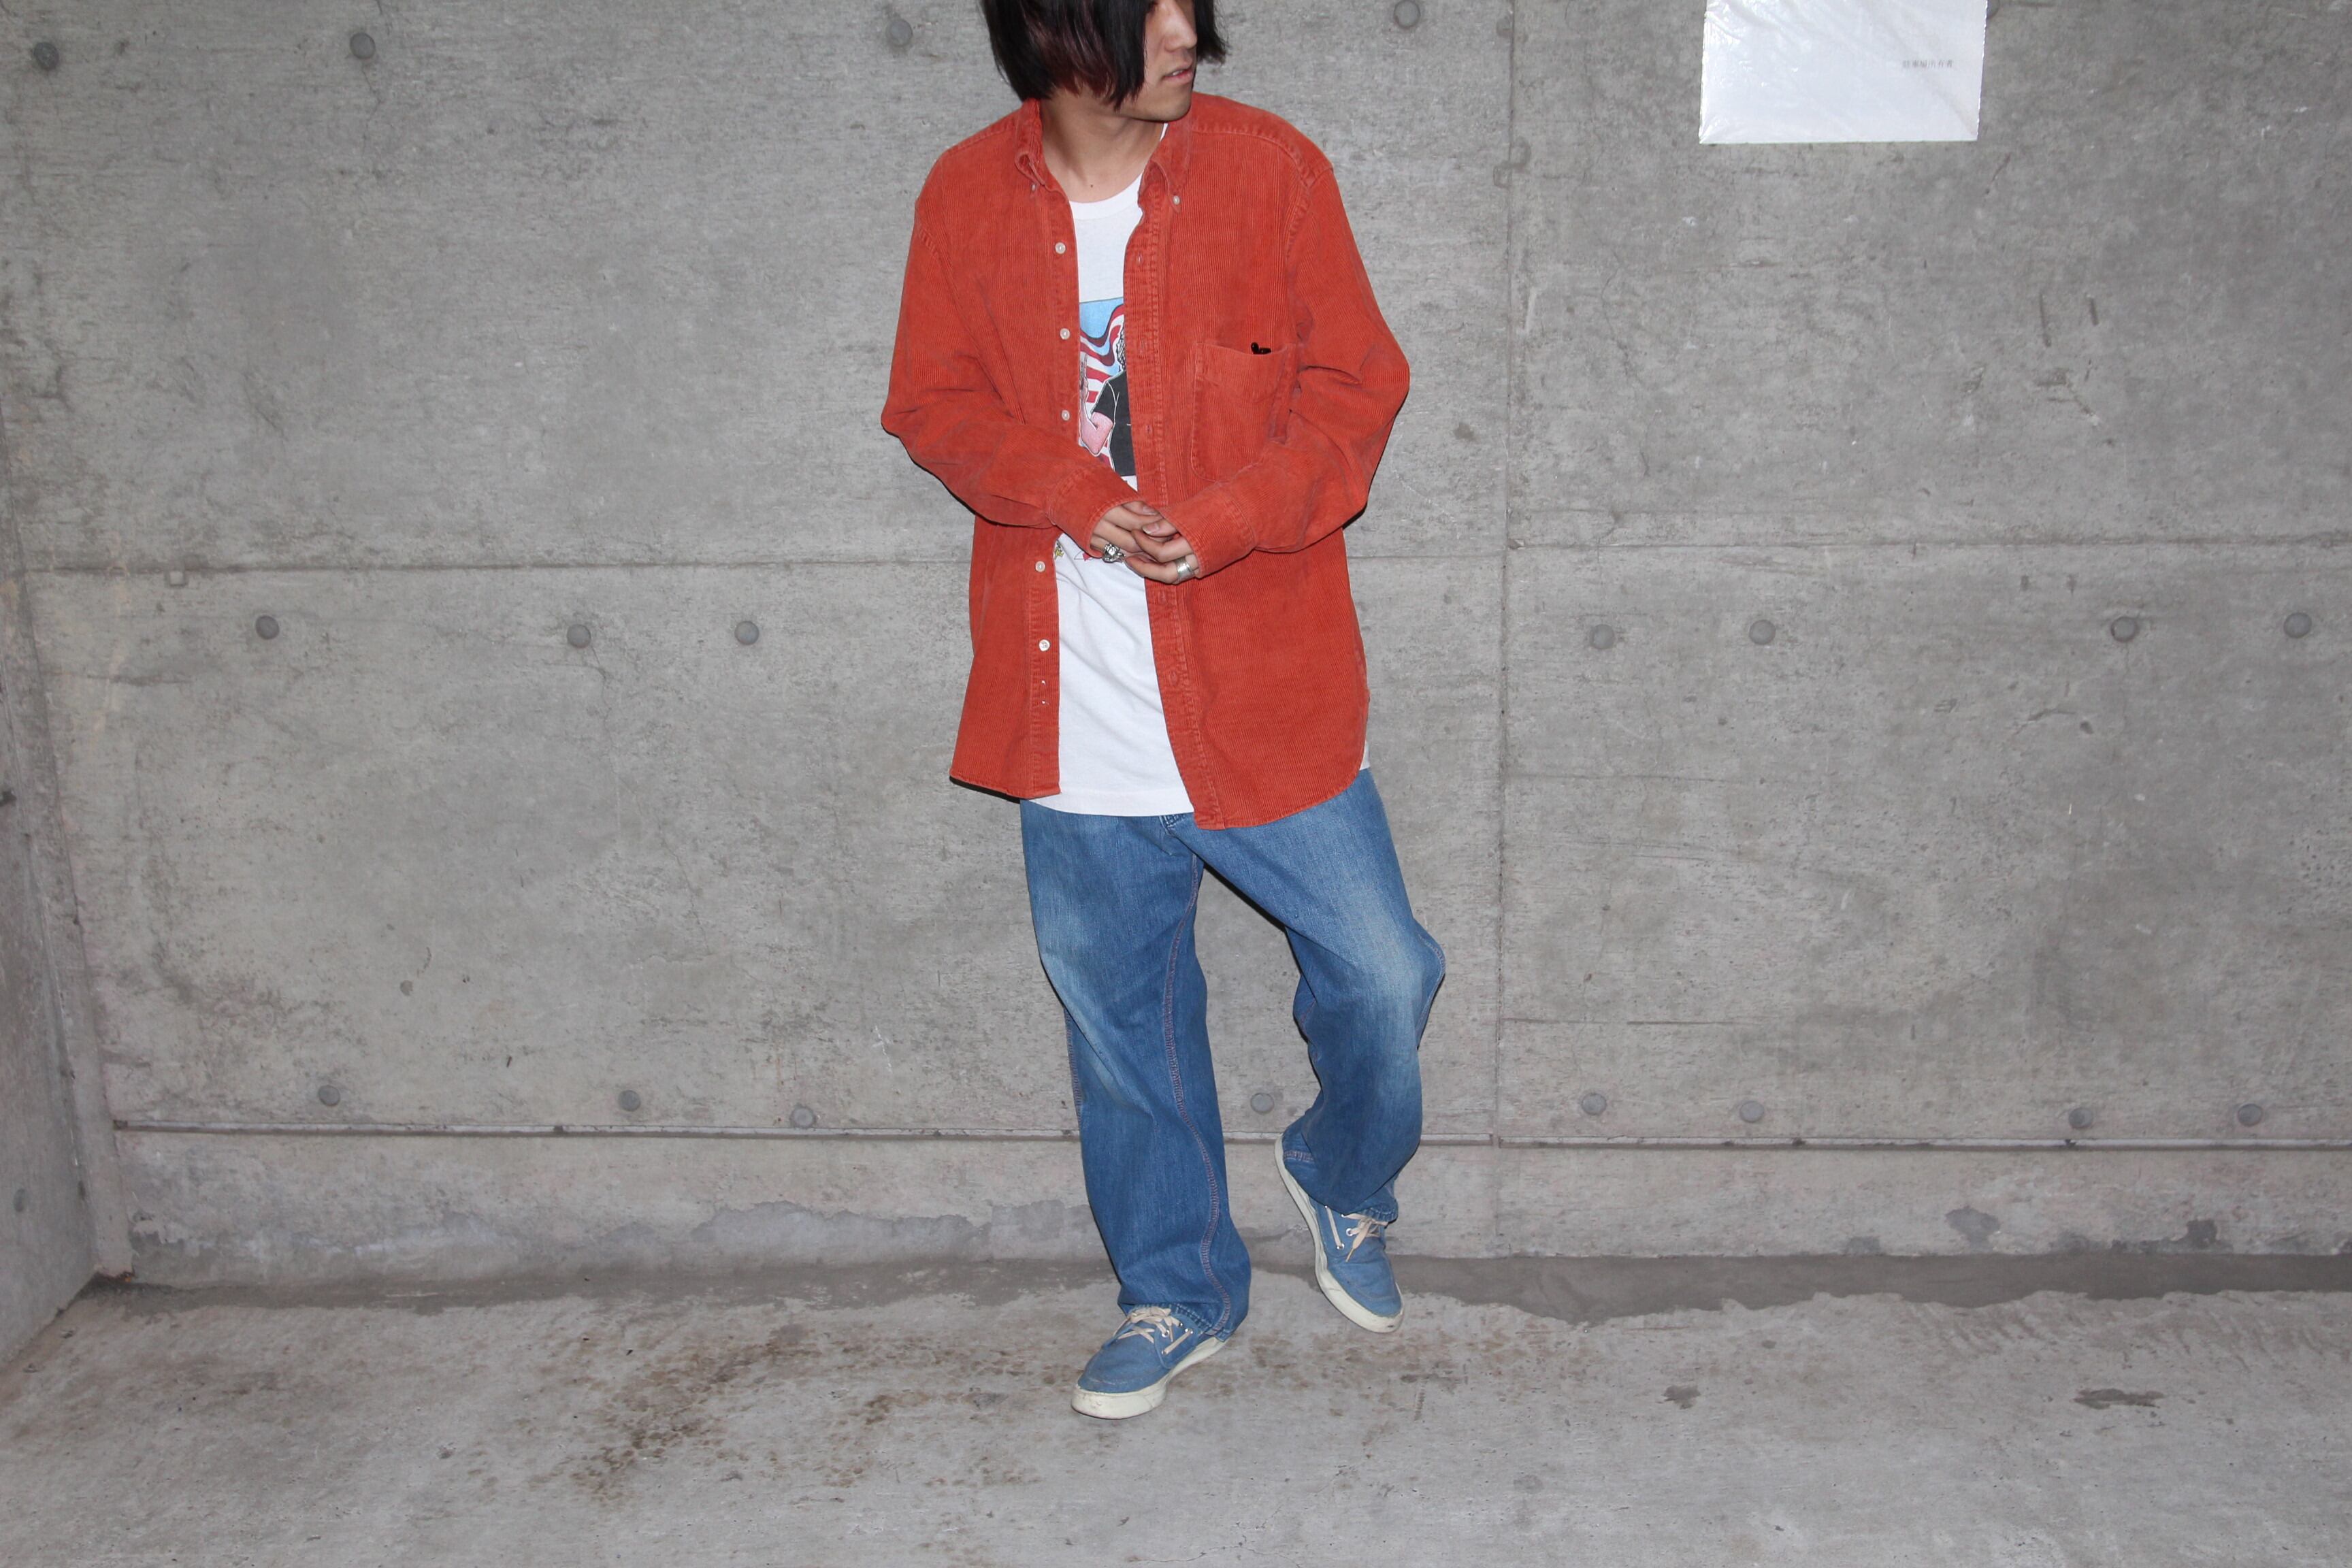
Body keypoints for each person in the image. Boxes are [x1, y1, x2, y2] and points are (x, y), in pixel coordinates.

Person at [881, 0, 1443, 1420]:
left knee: (1386, 975)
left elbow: (1357, 388)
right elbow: (933, 402)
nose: (1190, 29)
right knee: (1125, 1031)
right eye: (1151, 7)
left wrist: (1234, 516)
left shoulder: (1270, 170)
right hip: (1069, 709)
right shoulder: (966, 194)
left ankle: (1340, 1173)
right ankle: (1177, 1291)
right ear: (1058, 29)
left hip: (1261, 687)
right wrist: (1075, 492)